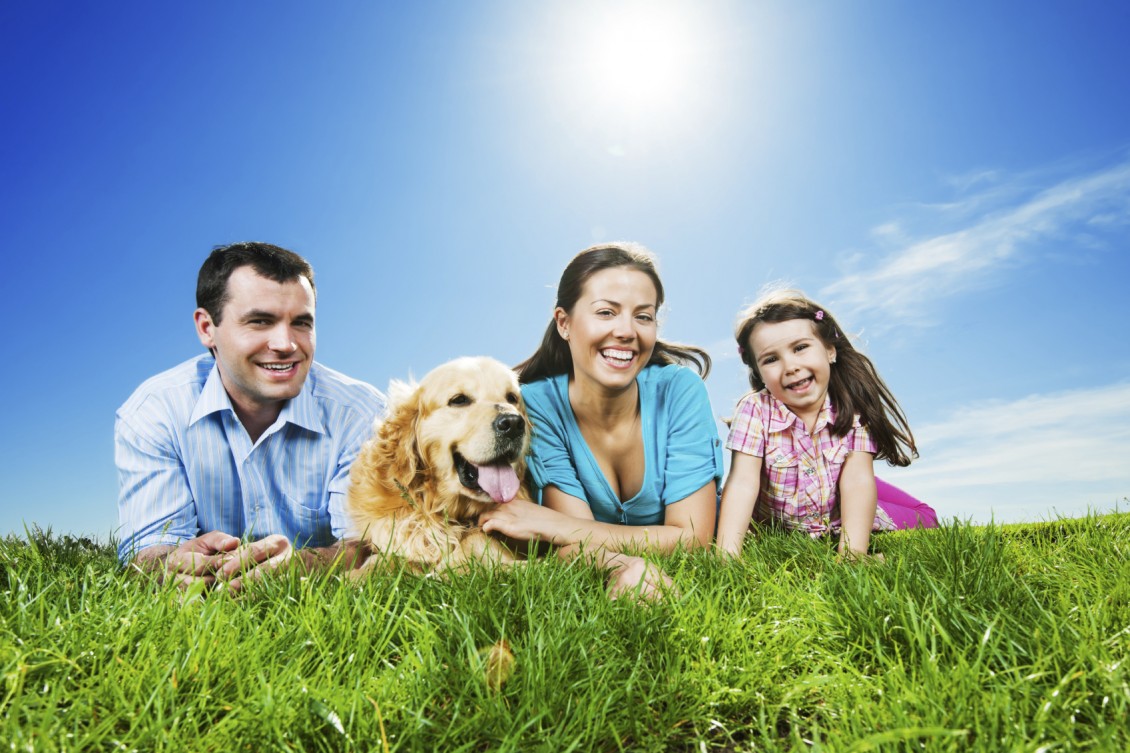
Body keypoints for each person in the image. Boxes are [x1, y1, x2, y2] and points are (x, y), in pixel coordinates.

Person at [115, 242, 387, 590]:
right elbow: (147, 552)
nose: (286, 343)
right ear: (206, 328)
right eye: (260, 321)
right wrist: (171, 564)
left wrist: (300, 567)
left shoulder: (362, 415)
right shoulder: (155, 412)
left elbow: (372, 547)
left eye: (301, 323)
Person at [479, 243, 723, 598]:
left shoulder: (680, 390)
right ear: (564, 323)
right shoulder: (536, 404)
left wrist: (552, 524)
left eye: (643, 316)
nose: (627, 331)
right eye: (606, 312)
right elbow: (569, 542)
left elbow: (693, 538)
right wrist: (623, 565)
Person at [716, 288, 938, 560]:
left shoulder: (853, 409)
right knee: (851, 480)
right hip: (803, 500)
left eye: (800, 348)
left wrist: (853, 555)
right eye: (771, 359)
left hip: (842, 498)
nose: (790, 366)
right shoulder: (755, 409)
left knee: (925, 516)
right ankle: (840, 483)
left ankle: (853, 492)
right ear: (759, 373)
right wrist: (726, 557)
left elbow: (857, 481)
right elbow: (742, 483)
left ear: (830, 350)